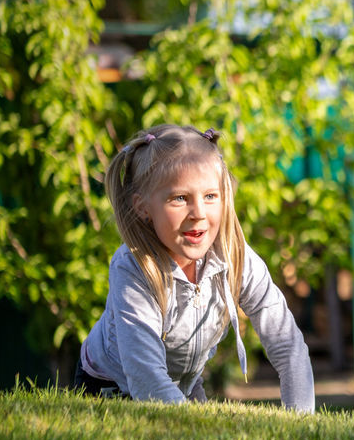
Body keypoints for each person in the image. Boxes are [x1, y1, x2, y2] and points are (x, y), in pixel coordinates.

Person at [76, 124, 315, 412]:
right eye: (180, 198)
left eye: (210, 196)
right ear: (143, 208)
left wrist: (301, 421)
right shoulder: (134, 267)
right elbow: (146, 376)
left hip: (184, 382)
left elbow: (288, 346)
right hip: (111, 384)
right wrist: (191, 424)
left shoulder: (236, 257)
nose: (199, 213)